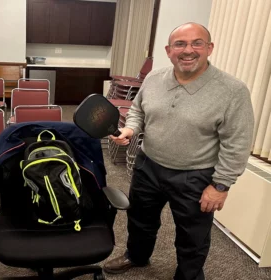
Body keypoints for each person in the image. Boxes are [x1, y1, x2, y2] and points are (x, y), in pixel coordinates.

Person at [103, 22, 254, 280]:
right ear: (169, 50)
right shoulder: (154, 78)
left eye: (197, 43)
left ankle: (188, 275)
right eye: (180, 44)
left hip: (195, 175)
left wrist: (220, 186)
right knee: (140, 219)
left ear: (209, 48)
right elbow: (138, 110)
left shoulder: (232, 90)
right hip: (148, 165)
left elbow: (237, 143)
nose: (188, 50)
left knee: (192, 235)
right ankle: (136, 256)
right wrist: (130, 129)